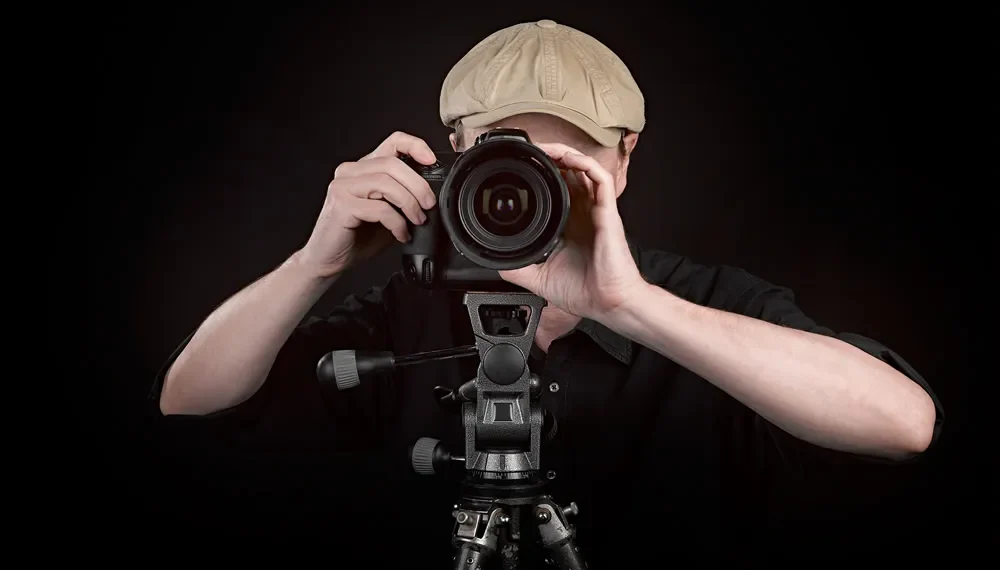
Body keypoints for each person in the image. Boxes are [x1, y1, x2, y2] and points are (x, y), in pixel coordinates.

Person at [151, 20, 944, 566]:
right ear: (454, 154)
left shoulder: (699, 304)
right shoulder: (408, 305)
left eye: (560, 169)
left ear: (625, 158)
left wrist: (629, 306)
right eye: (503, 162)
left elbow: (904, 424)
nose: (522, 196)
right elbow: (191, 401)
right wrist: (312, 266)